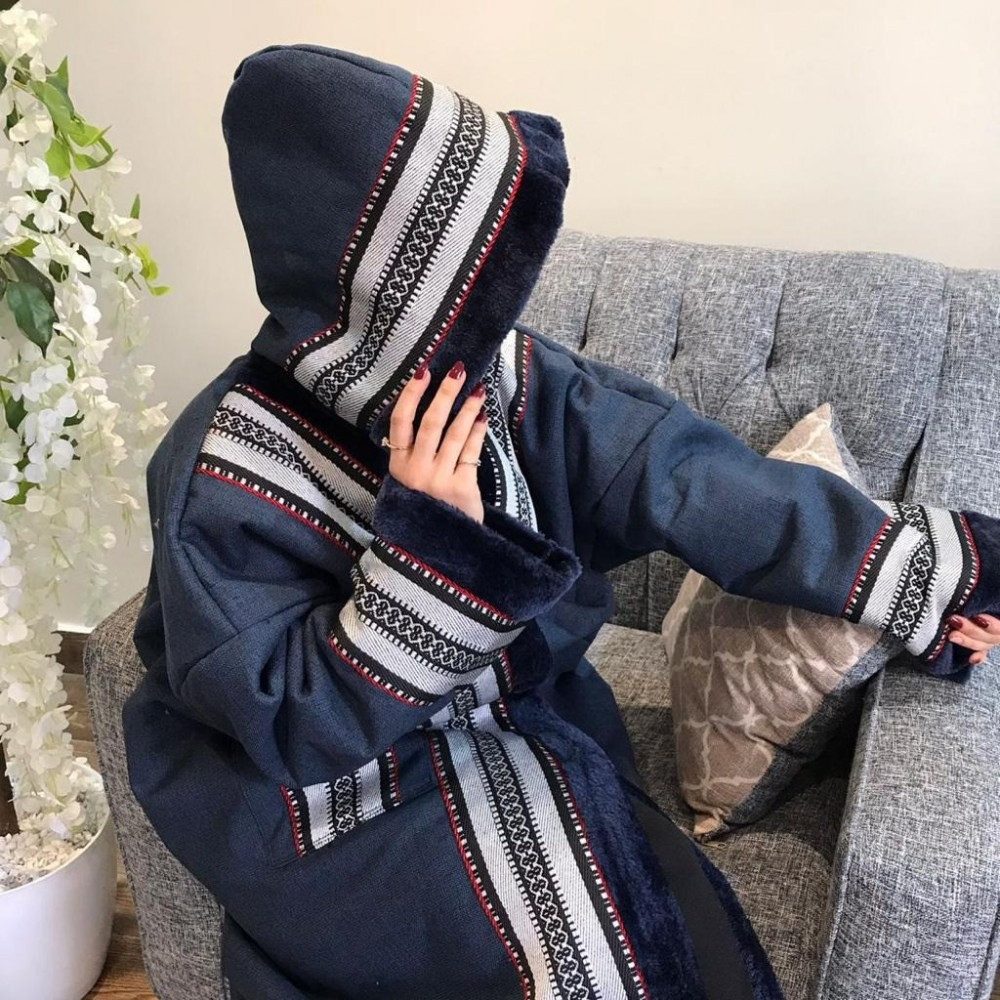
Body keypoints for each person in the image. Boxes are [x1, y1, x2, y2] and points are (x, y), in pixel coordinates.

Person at [122, 42, 1000, 1000]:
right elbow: (289, 724)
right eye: (466, 269)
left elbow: (696, 480)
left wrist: (922, 577)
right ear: (371, 278)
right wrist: (431, 546)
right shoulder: (220, 466)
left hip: (524, 719)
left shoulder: (509, 375)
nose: (494, 298)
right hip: (335, 803)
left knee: (675, 949)